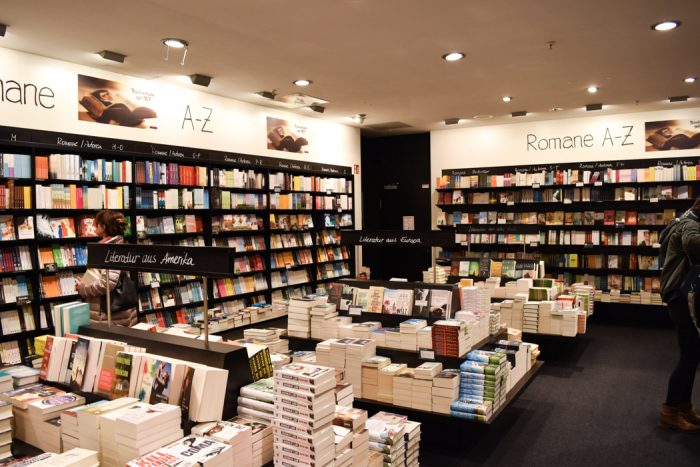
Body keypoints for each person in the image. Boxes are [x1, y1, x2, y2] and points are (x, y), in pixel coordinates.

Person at [659, 196, 700, 432]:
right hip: (680, 295)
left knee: (693, 353)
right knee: (689, 353)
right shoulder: (690, 225)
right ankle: (670, 410)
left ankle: (684, 406)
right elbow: (693, 243)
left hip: (681, 294)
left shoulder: (685, 219)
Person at [75, 210, 137, 326]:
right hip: (111, 313)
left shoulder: (111, 250)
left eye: (96, 224)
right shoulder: (114, 246)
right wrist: (84, 282)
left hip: (110, 315)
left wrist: (83, 288)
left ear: (103, 227)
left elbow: (107, 283)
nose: (94, 226)